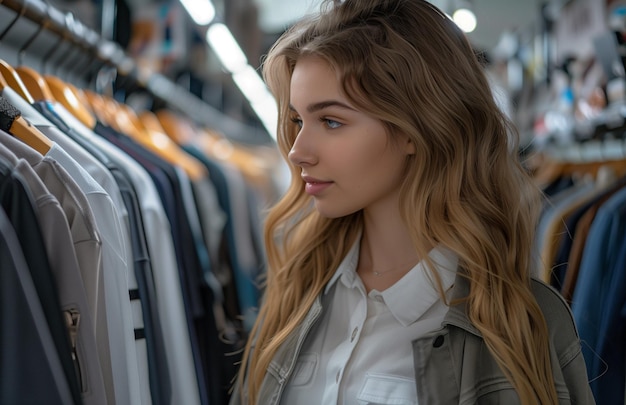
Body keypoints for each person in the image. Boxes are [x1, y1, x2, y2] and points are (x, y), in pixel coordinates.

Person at [230, 0, 596, 403]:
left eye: (331, 121)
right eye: (298, 120)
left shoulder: (522, 325)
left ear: (415, 128)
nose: (298, 151)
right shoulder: (296, 290)